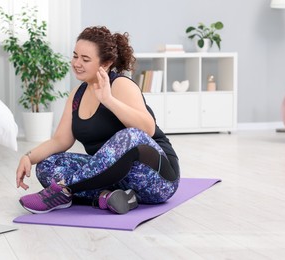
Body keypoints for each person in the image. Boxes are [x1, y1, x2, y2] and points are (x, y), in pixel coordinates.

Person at [16, 26, 180, 214]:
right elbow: (60, 140)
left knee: (129, 136)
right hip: (110, 178)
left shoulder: (120, 85)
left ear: (106, 63)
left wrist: (108, 100)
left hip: (157, 179)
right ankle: (109, 197)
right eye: (75, 56)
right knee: (47, 164)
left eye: (85, 59)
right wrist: (28, 157)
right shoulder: (76, 96)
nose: (77, 63)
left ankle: (62, 191)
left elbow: (147, 130)